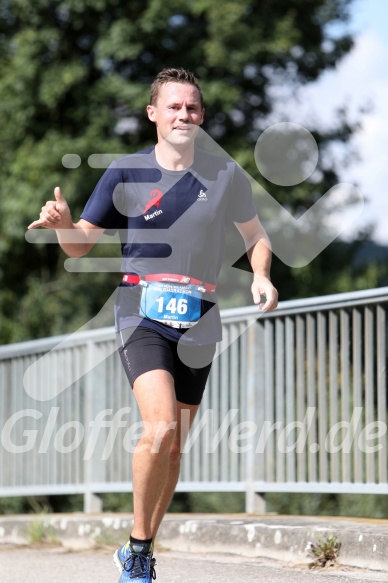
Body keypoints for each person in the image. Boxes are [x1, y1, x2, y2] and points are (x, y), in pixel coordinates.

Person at [28, 68, 278, 583]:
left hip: (202, 316)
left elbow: (257, 236)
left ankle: (139, 545)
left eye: (191, 108)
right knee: (159, 425)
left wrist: (261, 276)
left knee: (174, 446)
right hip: (141, 310)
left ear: (201, 116)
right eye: (173, 107)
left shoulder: (224, 174)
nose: (183, 115)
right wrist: (62, 225)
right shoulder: (124, 172)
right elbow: (80, 245)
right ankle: (139, 551)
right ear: (153, 113)